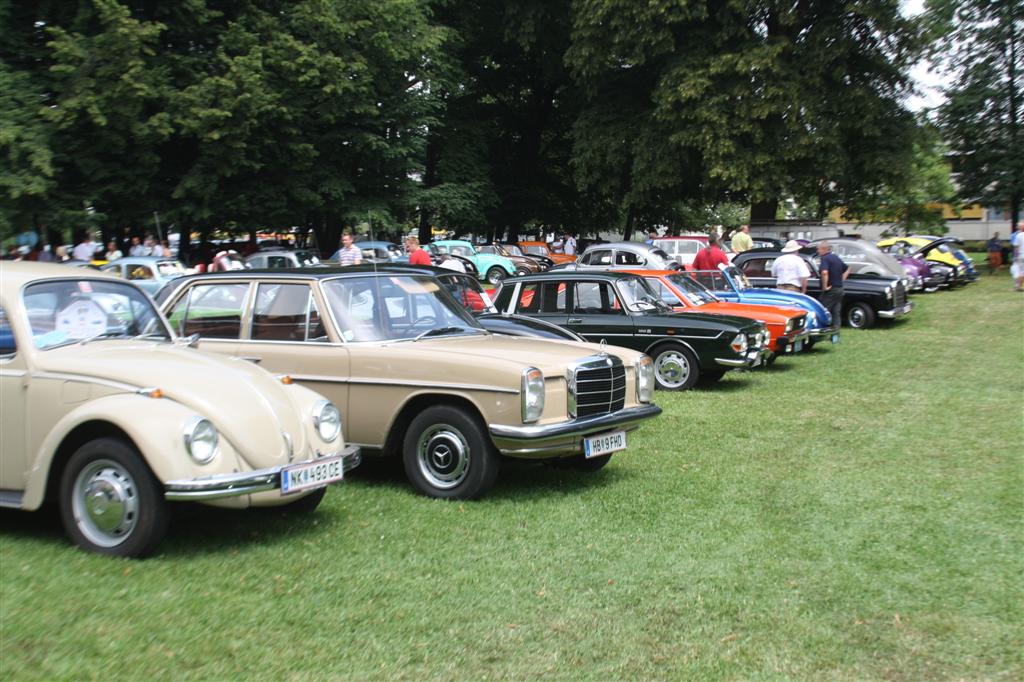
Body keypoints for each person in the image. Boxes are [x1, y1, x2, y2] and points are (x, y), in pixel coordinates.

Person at [816, 241, 849, 329]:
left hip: (831, 290)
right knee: (836, 311)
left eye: (818, 249)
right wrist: (841, 280)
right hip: (839, 288)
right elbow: (847, 268)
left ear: (824, 249)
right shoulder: (836, 257)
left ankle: (820, 329)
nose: (818, 251)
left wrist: (825, 286)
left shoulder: (825, 258)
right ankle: (836, 330)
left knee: (822, 309)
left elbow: (824, 272)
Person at [1012, 225, 1024, 291]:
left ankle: (1017, 286)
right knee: (1022, 272)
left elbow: (1016, 247)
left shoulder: (1018, 235)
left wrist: (1015, 257)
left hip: (1020, 256)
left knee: (1019, 271)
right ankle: (1018, 286)